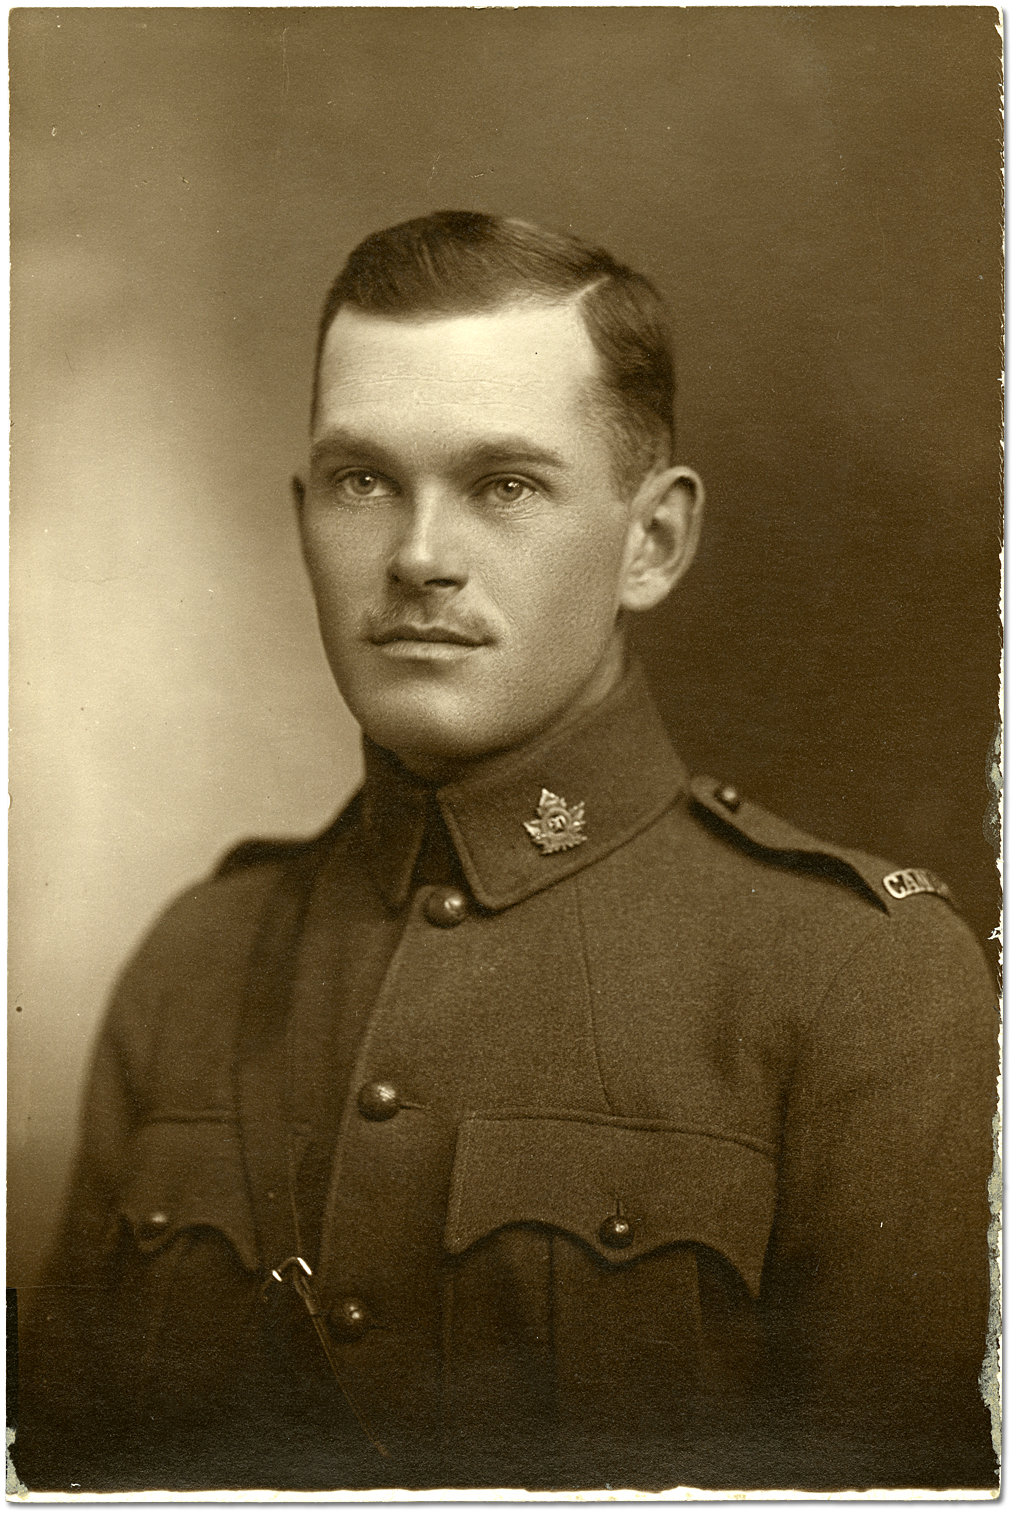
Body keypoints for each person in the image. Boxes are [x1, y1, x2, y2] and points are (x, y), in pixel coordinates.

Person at [15, 211, 998, 1495]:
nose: (419, 558)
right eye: (366, 480)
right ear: (304, 514)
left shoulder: (860, 984)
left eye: (505, 486)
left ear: (652, 543)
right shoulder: (197, 962)